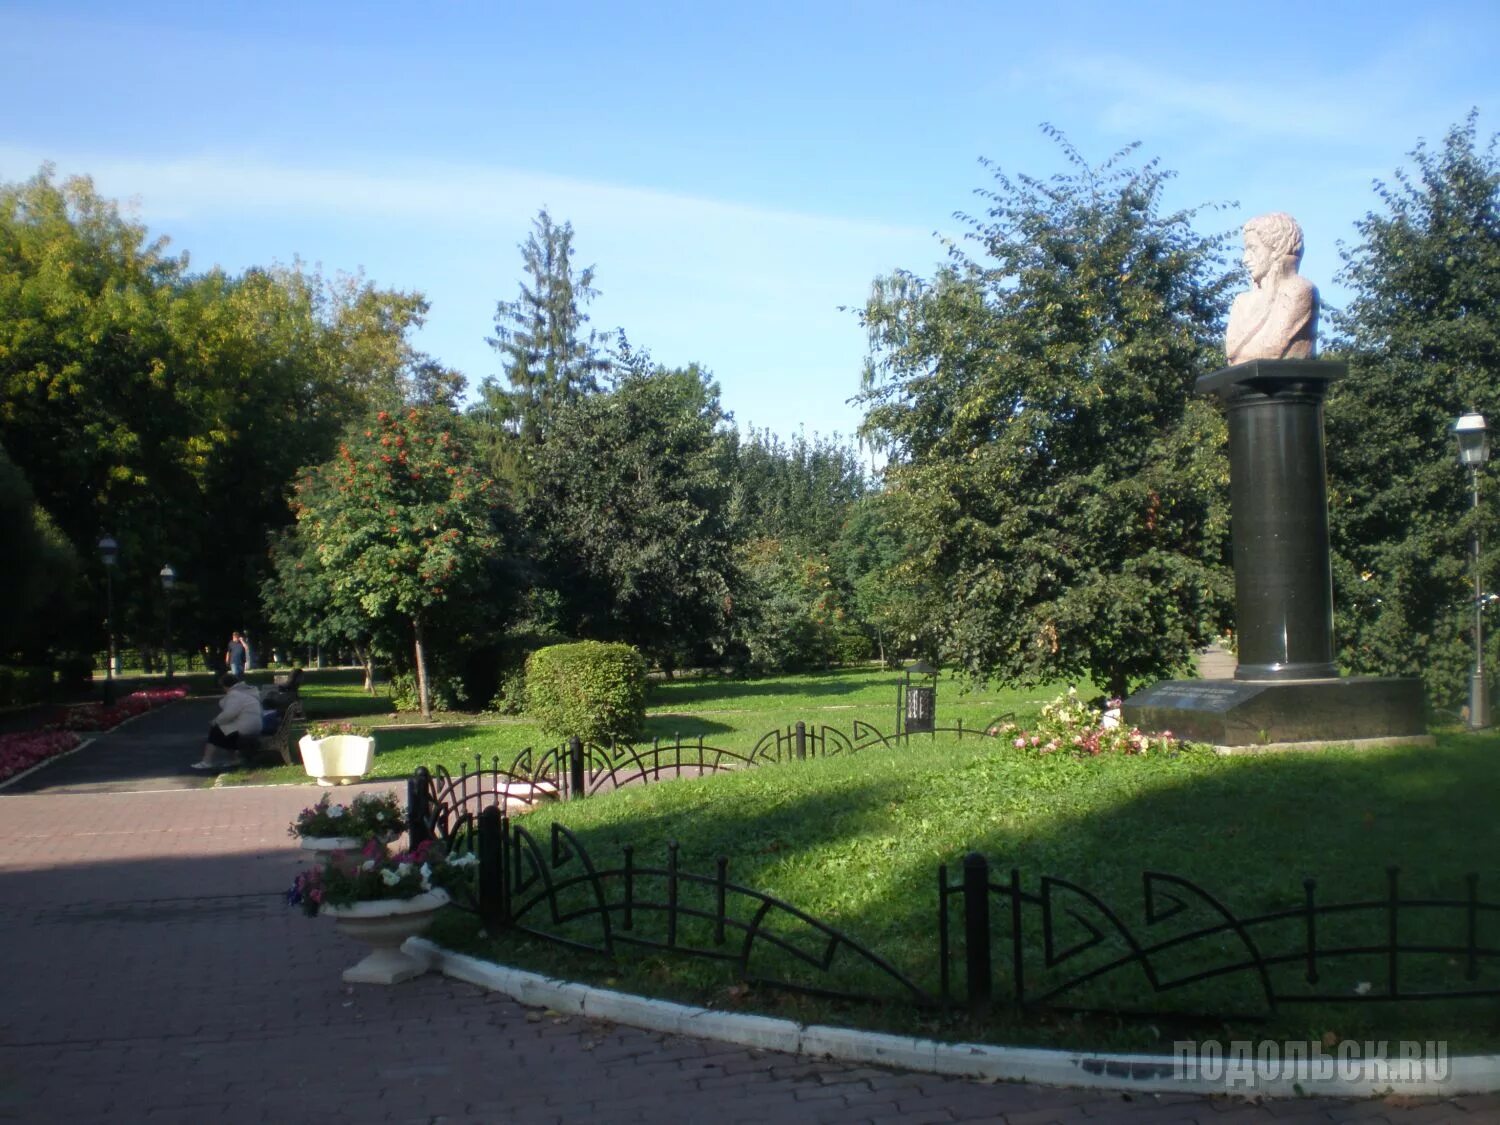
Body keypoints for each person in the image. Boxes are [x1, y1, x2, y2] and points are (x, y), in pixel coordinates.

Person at [1224, 212, 1319, 366]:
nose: (1245, 259)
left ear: (1276, 249)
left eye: (1253, 249)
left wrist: (1241, 353)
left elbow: (1271, 349)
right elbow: (1231, 354)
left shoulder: (1299, 290)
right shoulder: (1242, 302)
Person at [191, 674, 262, 771]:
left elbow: (229, 714)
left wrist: (215, 721)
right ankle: (234, 759)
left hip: (246, 728)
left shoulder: (235, 694)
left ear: (225, 686)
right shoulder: (247, 692)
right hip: (255, 726)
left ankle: (207, 761)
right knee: (226, 730)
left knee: (216, 730)